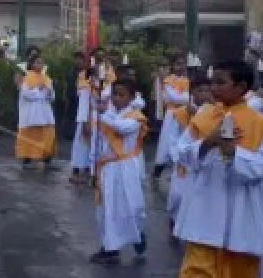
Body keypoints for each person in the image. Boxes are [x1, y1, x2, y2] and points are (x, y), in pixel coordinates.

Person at [171, 61, 263, 278]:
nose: (215, 88)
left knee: (239, 271)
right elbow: (180, 152)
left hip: (242, 208)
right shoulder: (205, 116)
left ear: (242, 88)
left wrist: (235, 154)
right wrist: (206, 144)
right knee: (198, 267)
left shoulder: (259, 124)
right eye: (213, 82)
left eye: (221, 82)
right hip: (207, 204)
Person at [87, 78, 150, 263]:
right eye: (114, 94)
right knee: (108, 207)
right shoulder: (113, 113)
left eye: (121, 95)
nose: (116, 98)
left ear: (131, 97)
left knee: (130, 205)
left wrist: (105, 113)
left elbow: (121, 129)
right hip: (109, 167)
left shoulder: (136, 117)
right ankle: (110, 247)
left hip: (125, 168)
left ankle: (137, 234)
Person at [163, 76, 213, 237]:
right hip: (183, 162)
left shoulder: (213, 115)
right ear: (192, 94)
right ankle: (173, 218)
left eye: (207, 91)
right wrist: (177, 156)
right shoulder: (180, 114)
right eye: (200, 91)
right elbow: (173, 138)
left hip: (201, 162)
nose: (204, 95)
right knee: (177, 196)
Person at [16, 54, 58, 172]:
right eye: (37, 62)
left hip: (45, 112)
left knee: (48, 135)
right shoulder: (27, 77)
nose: (40, 65)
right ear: (32, 64)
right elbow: (26, 94)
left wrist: (49, 91)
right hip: (31, 113)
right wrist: (39, 89)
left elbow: (52, 97)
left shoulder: (47, 78)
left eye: (41, 62)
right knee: (29, 136)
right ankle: (27, 159)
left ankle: (47, 159)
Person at [152, 55, 190, 181]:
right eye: (178, 64)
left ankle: (179, 170)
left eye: (183, 64)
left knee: (183, 142)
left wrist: (184, 98)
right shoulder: (168, 80)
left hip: (186, 115)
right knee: (166, 143)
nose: (181, 67)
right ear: (173, 66)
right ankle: (158, 170)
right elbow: (174, 98)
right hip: (172, 115)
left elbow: (189, 98)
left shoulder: (188, 80)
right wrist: (185, 97)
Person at [70, 64, 96, 184]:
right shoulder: (86, 87)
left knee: (92, 147)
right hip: (86, 120)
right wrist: (85, 122)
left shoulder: (100, 86)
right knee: (81, 145)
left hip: (98, 121)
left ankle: (89, 171)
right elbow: (84, 106)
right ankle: (76, 171)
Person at [63, 52, 88, 140]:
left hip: (83, 98)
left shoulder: (87, 72)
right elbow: (66, 85)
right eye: (76, 59)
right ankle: (70, 134)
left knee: (81, 117)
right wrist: (66, 96)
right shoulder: (70, 71)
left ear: (83, 61)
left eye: (80, 59)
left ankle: (80, 134)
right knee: (71, 115)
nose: (78, 61)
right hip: (71, 97)